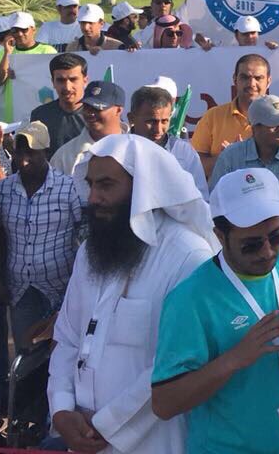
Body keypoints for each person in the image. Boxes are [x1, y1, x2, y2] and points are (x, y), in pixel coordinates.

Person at [151, 168, 279, 454]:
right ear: (220, 235)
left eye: (276, 236)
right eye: (251, 245)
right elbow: (164, 403)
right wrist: (234, 359)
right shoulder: (191, 298)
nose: (267, 252)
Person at [47, 134, 217, 453]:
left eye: (106, 185)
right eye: (91, 185)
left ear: (142, 188)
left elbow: (177, 364)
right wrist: (61, 408)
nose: (93, 197)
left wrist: (107, 425)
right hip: (82, 436)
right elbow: (68, 336)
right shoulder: (90, 252)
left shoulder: (187, 255)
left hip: (154, 441)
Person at [0, 121, 85, 349]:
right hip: (20, 290)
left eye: (31, 153)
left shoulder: (68, 188)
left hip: (59, 290)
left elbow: (84, 236)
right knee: (25, 354)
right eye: (19, 153)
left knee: (59, 353)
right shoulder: (3, 190)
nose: (24, 160)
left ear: (46, 152)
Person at [211, 95, 279, 249]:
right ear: (255, 128)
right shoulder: (230, 157)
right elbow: (217, 204)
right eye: (274, 124)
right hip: (243, 250)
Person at [191, 54, 279, 176]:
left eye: (258, 78)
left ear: (268, 81)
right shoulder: (213, 116)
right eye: (245, 77)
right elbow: (194, 168)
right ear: (235, 79)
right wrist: (225, 158)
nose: (251, 83)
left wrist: (244, 157)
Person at [127, 83, 209, 198]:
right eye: (151, 121)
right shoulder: (117, 151)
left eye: (164, 121)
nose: (158, 129)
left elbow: (201, 199)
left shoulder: (184, 152)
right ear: (131, 118)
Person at [51, 80, 127, 183]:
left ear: (118, 110)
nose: (90, 113)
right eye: (87, 107)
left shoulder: (136, 147)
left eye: (98, 108)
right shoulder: (64, 156)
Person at [30, 53, 90, 160]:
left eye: (73, 79)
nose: (67, 87)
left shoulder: (99, 115)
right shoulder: (40, 116)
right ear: (53, 82)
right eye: (60, 80)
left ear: (85, 81)